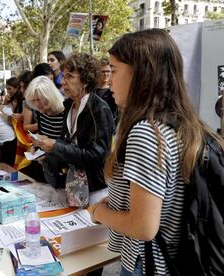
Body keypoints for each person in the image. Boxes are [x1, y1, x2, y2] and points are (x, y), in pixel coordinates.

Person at [88, 29, 224, 275]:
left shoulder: (147, 132)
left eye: (114, 70)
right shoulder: (179, 123)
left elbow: (143, 226)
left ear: (141, 74)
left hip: (148, 264)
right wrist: (120, 201)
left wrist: (99, 212)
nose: (108, 81)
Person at [37, 53, 114, 199]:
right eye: (64, 76)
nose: (63, 82)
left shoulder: (99, 109)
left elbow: (96, 156)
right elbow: (68, 143)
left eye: (70, 77)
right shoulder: (68, 105)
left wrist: (56, 147)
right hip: (72, 184)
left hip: (94, 189)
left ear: (85, 81)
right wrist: (49, 152)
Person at [96, 58, 118, 122]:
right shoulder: (91, 91)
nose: (106, 74)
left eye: (108, 71)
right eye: (103, 71)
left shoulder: (114, 91)